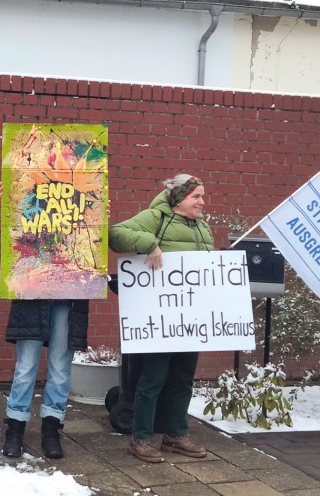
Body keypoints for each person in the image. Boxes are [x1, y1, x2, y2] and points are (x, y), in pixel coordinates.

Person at [108, 174, 213, 463]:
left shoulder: (203, 229)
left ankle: (175, 435)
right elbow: (115, 234)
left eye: (202, 196)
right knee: (153, 377)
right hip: (160, 318)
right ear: (179, 198)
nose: (202, 202)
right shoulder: (155, 218)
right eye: (196, 197)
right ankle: (141, 438)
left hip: (190, 318)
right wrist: (150, 244)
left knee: (182, 378)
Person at [1, 299, 89, 460]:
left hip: (67, 300)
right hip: (31, 297)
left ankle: (51, 429)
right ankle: (15, 428)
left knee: (60, 370)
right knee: (25, 369)